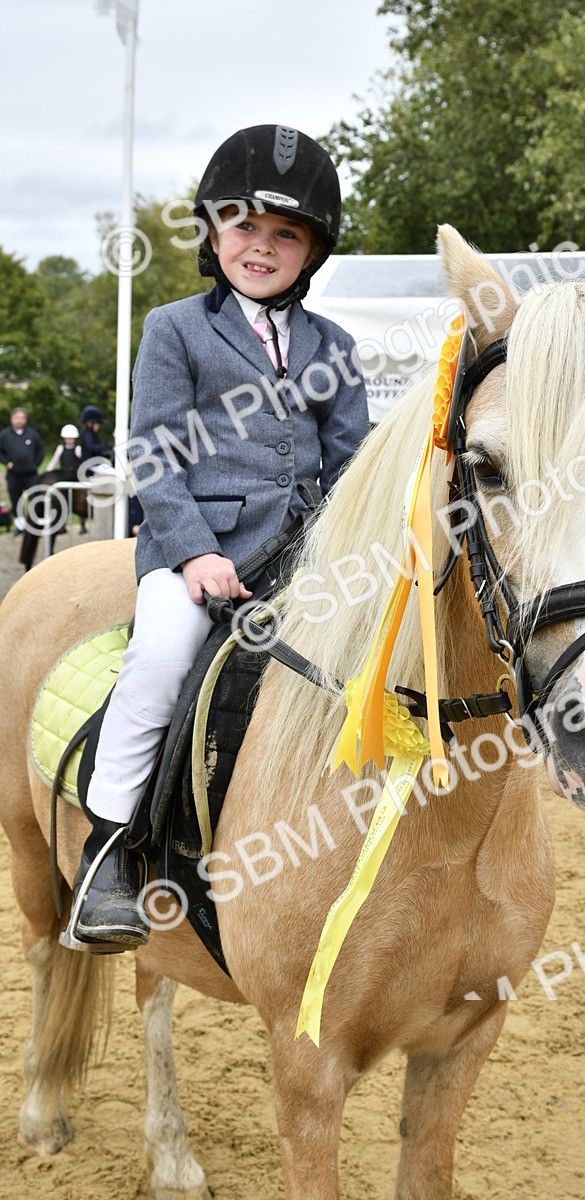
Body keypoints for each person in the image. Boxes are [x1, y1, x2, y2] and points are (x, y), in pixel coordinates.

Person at [67, 124, 370, 951]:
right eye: (244, 227)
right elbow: (152, 455)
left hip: (306, 561)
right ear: (211, 232)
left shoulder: (335, 348)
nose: (261, 247)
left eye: (285, 234)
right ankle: (109, 854)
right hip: (195, 551)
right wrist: (196, 551)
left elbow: (352, 466)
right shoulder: (176, 330)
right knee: (162, 659)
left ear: (311, 251)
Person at [0, 408, 45, 534]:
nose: (20, 421)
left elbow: (41, 450)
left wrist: (35, 463)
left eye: (22, 418)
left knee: (35, 499)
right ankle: (20, 526)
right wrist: (6, 462)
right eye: (17, 418)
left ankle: (35, 525)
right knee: (16, 500)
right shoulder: (4, 435)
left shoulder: (32, 434)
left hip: (31, 474)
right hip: (14, 474)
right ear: (12, 419)